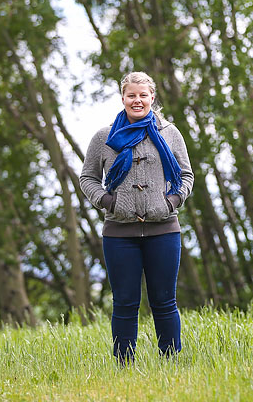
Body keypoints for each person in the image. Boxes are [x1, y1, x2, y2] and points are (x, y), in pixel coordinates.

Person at [80, 71, 194, 363]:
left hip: (164, 230)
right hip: (119, 233)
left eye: (143, 95)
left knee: (164, 302)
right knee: (125, 303)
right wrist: (108, 201)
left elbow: (186, 175)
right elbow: (88, 178)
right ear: (123, 98)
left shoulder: (170, 133)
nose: (137, 100)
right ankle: (124, 366)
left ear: (152, 98)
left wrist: (171, 202)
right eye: (132, 95)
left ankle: (171, 364)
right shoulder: (104, 137)